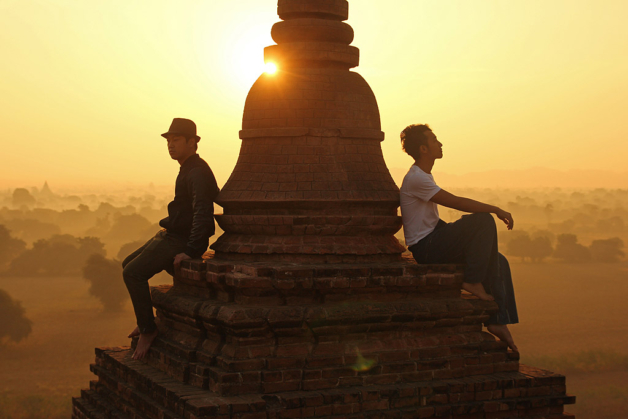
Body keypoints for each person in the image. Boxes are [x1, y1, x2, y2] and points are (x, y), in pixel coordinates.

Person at [399, 124, 519, 352]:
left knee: (499, 260)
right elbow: (456, 202)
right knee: (483, 220)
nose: (440, 143)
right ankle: (473, 281)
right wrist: (495, 208)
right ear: (424, 148)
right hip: (426, 248)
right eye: (434, 140)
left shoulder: (424, 175)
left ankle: (498, 321)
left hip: (435, 239)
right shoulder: (416, 178)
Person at [122, 118, 219, 360]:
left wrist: (192, 249)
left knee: (132, 273)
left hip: (180, 239)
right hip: (171, 233)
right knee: (127, 264)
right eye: (169, 140)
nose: (171, 145)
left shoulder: (197, 172)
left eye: (176, 140)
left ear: (193, 142)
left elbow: (203, 212)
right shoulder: (188, 168)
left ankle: (148, 329)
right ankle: (146, 320)